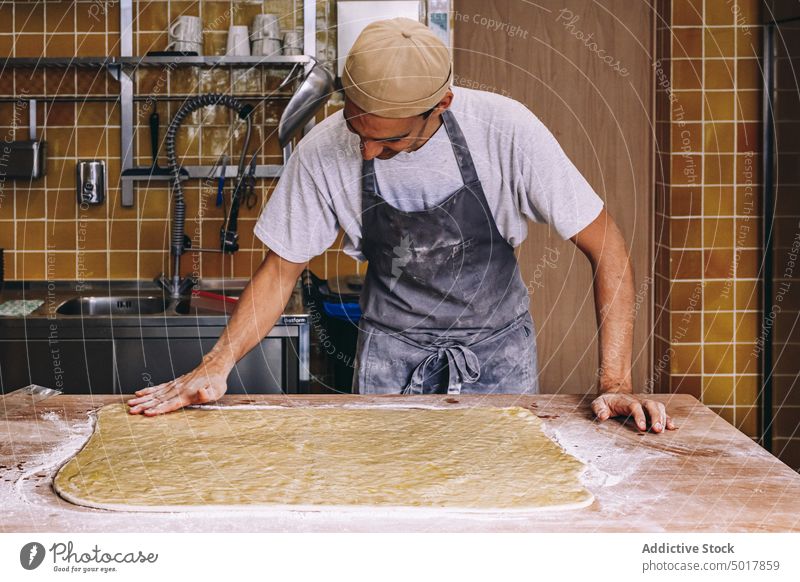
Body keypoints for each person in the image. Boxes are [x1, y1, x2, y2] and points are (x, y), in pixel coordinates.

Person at [128, 17, 674, 433]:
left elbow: (608, 248)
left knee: (501, 511)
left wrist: (615, 383)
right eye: (357, 130)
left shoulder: (507, 133)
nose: (366, 152)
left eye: (387, 142)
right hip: (390, 363)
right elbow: (279, 273)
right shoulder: (323, 153)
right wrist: (215, 365)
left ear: (441, 105)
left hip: (498, 361)